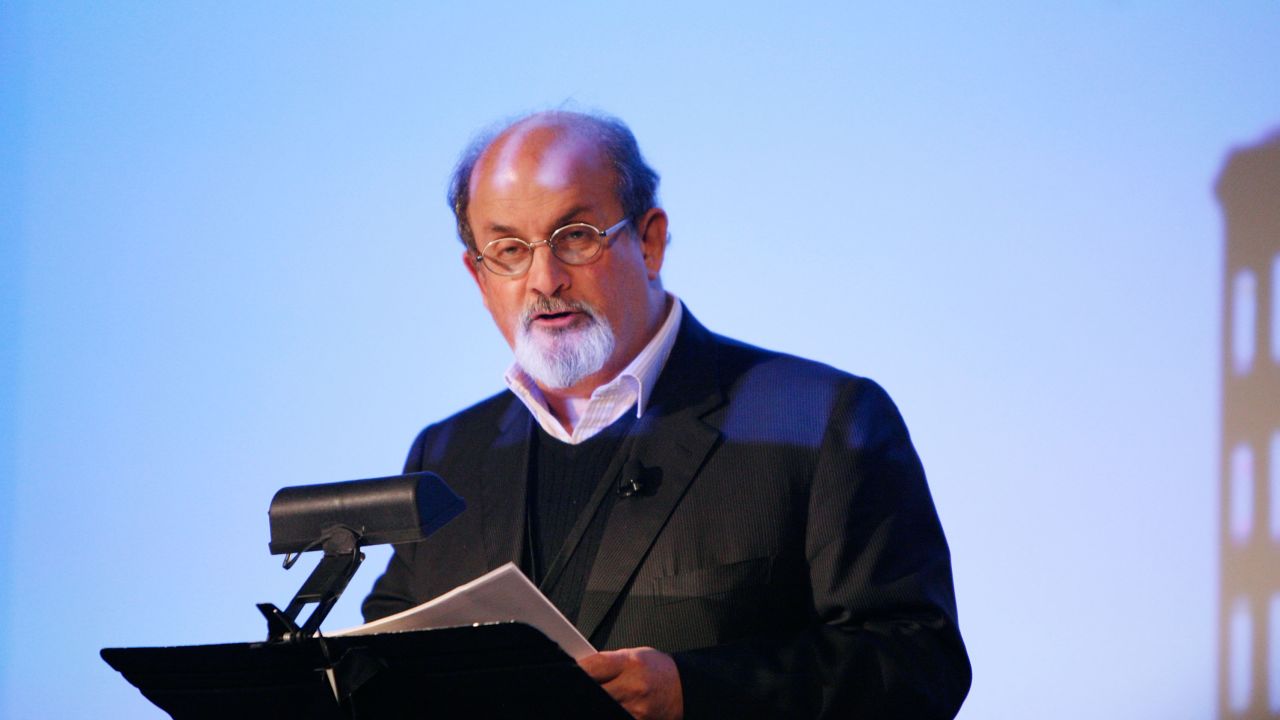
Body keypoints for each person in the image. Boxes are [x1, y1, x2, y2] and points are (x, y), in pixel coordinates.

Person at [362, 110, 971, 719]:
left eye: (575, 235)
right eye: (509, 250)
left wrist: (697, 691)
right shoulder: (449, 456)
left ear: (649, 241)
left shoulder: (821, 420)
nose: (544, 279)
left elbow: (920, 664)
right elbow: (378, 676)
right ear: (477, 274)